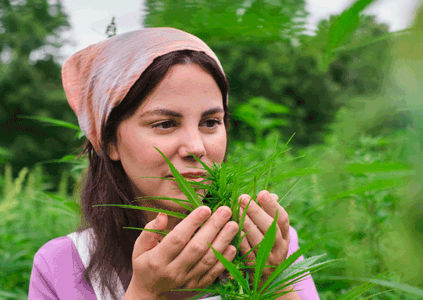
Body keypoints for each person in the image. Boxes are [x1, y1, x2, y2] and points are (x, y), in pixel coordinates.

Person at [28, 27, 320, 300]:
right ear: (109, 142)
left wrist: (272, 280)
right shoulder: (63, 265)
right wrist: (145, 293)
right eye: (165, 124)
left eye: (210, 122)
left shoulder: (263, 241)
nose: (196, 147)